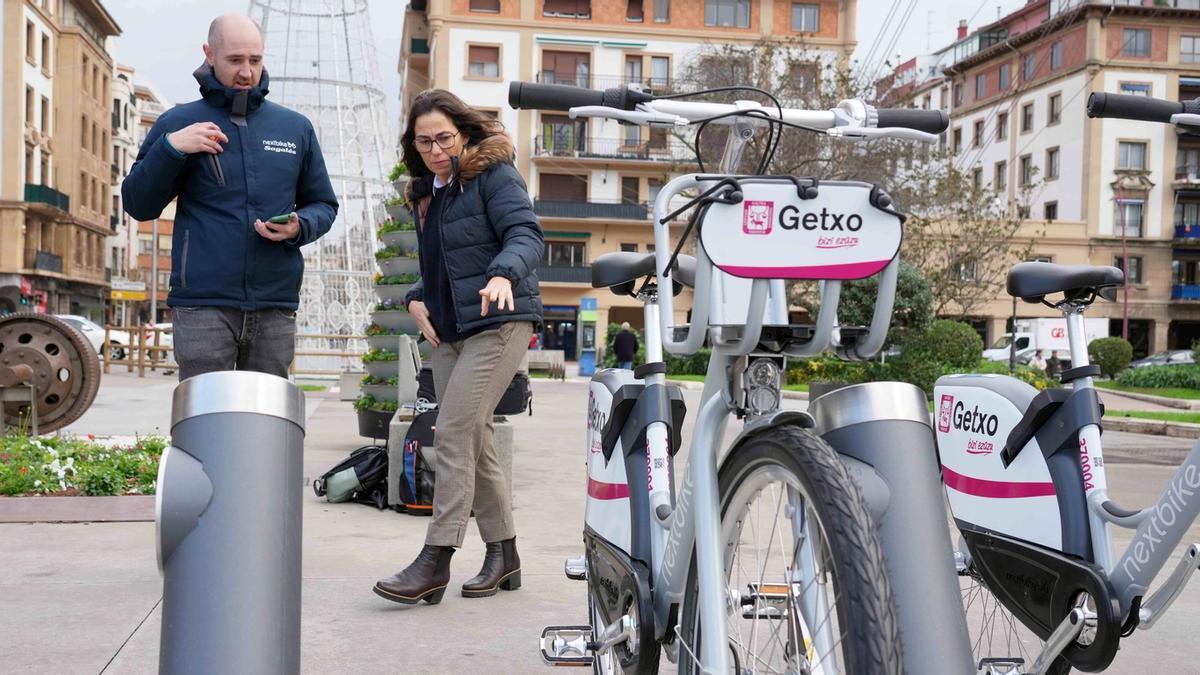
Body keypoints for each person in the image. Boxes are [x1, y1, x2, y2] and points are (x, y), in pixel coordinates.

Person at [373, 89, 543, 606]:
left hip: (499, 320)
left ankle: (436, 557)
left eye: (444, 137)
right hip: (449, 330)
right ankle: (504, 552)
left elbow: (527, 235)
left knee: (450, 430)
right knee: (475, 440)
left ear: (464, 133)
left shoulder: (495, 176)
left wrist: (502, 274)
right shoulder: (426, 193)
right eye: (424, 141)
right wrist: (417, 299)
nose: (436, 148)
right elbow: (437, 268)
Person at [122, 14, 338, 382]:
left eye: (255, 60)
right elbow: (138, 203)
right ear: (209, 54)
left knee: (266, 423)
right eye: (235, 60)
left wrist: (300, 226)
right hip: (203, 306)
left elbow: (324, 205)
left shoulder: (294, 128)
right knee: (203, 422)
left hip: (274, 304)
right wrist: (172, 148)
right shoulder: (178, 123)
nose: (246, 72)